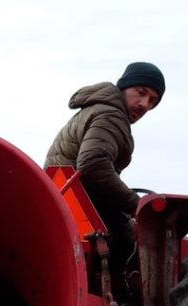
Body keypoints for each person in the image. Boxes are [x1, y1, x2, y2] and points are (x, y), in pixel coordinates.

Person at [44, 62, 165, 245]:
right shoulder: (111, 115)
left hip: (65, 198)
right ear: (124, 87)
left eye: (152, 101)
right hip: (79, 204)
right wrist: (136, 205)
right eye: (141, 93)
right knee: (134, 248)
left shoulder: (99, 109)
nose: (144, 105)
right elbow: (93, 164)